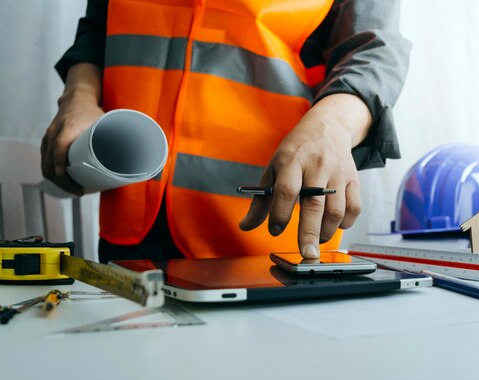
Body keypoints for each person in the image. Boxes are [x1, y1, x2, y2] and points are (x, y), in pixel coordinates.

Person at [41, 0, 410, 264]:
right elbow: (99, 23)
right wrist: (78, 96)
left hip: (265, 230)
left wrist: (334, 125)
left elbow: (374, 48)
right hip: (131, 212)